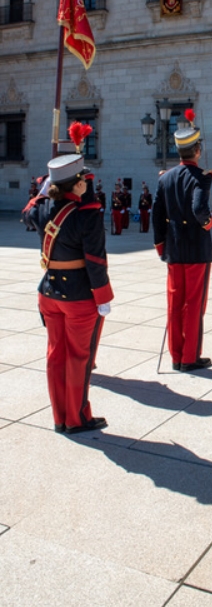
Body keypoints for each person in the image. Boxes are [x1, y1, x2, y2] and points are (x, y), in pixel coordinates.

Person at [23, 152, 113, 434]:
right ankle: (77, 418)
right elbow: (96, 261)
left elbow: (28, 212)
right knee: (77, 358)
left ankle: (60, 417)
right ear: (75, 185)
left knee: (55, 355)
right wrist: (103, 297)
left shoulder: (41, 209)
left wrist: (42, 190)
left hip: (49, 291)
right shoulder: (88, 215)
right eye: (81, 179)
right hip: (78, 296)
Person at [152, 109, 212, 372]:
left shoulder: (165, 177)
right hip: (196, 249)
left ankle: (176, 355)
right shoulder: (201, 178)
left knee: (175, 302)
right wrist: (210, 221)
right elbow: (200, 210)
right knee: (193, 304)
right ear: (197, 150)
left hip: (173, 249)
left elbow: (157, 214)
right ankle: (190, 357)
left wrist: (161, 245)